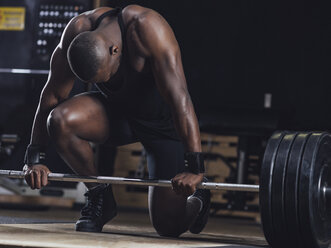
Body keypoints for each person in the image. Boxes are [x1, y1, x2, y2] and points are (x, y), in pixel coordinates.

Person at [23, 5, 210, 237]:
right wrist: (35, 157)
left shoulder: (148, 28)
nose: (105, 82)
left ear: (114, 50)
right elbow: (52, 95)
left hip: (164, 124)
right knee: (60, 120)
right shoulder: (78, 29)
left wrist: (195, 167)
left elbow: (180, 99)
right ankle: (99, 196)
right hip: (118, 115)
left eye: (106, 76)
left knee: (168, 227)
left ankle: (199, 199)